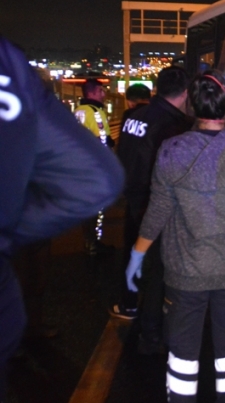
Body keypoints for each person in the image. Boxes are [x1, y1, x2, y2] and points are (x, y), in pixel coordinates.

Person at [125, 71, 225, 402]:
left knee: (183, 354)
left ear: (192, 106)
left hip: (185, 271)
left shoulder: (172, 149)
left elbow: (158, 210)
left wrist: (137, 253)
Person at [0, 36, 124, 398]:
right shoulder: (9, 65)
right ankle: (90, 245)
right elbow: (96, 177)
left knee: (35, 277)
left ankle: (34, 327)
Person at [112, 67, 193, 356]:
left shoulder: (133, 117)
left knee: (132, 252)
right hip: (154, 200)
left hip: (132, 194)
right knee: (158, 268)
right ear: (184, 94)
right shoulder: (173, 125)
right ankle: (152, 332)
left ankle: (128, 302)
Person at [75, 78, 116, 253]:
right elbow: (103, 142)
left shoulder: (78, 111)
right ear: (91, 93)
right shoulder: (95, 112)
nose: (103, 93)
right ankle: (95, 243)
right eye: (100, 90)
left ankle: (88, 240)